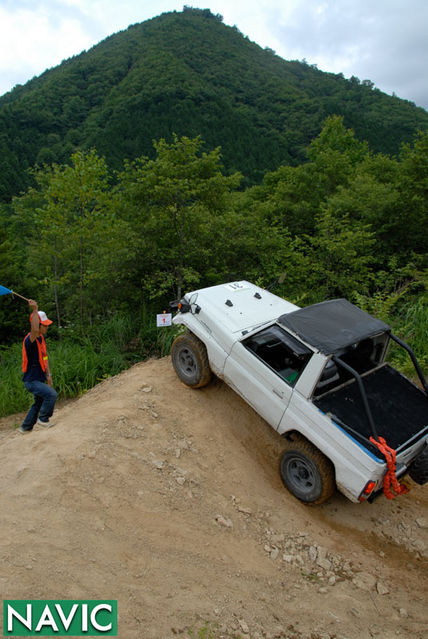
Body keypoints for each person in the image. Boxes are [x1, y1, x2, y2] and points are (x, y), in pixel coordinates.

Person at [19, 300, 57, 434]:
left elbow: (44, 358)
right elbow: (34, 329)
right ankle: (43, 419)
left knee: (39, 402)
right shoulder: (31, 339)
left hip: (39, 378)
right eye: (44, 325)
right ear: (39, 326)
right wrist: (35, 310)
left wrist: (48, 375)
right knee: (51, 395)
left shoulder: (41, 339)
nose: (47, 328)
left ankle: (25, 427)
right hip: (31, 380)